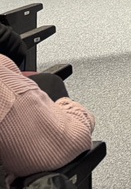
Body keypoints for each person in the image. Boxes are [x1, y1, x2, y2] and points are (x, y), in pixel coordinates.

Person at [0, 55, 96, 185]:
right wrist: (73, 110)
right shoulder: (7, 94)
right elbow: (72, 141)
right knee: (51, 82)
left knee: (46, 81)